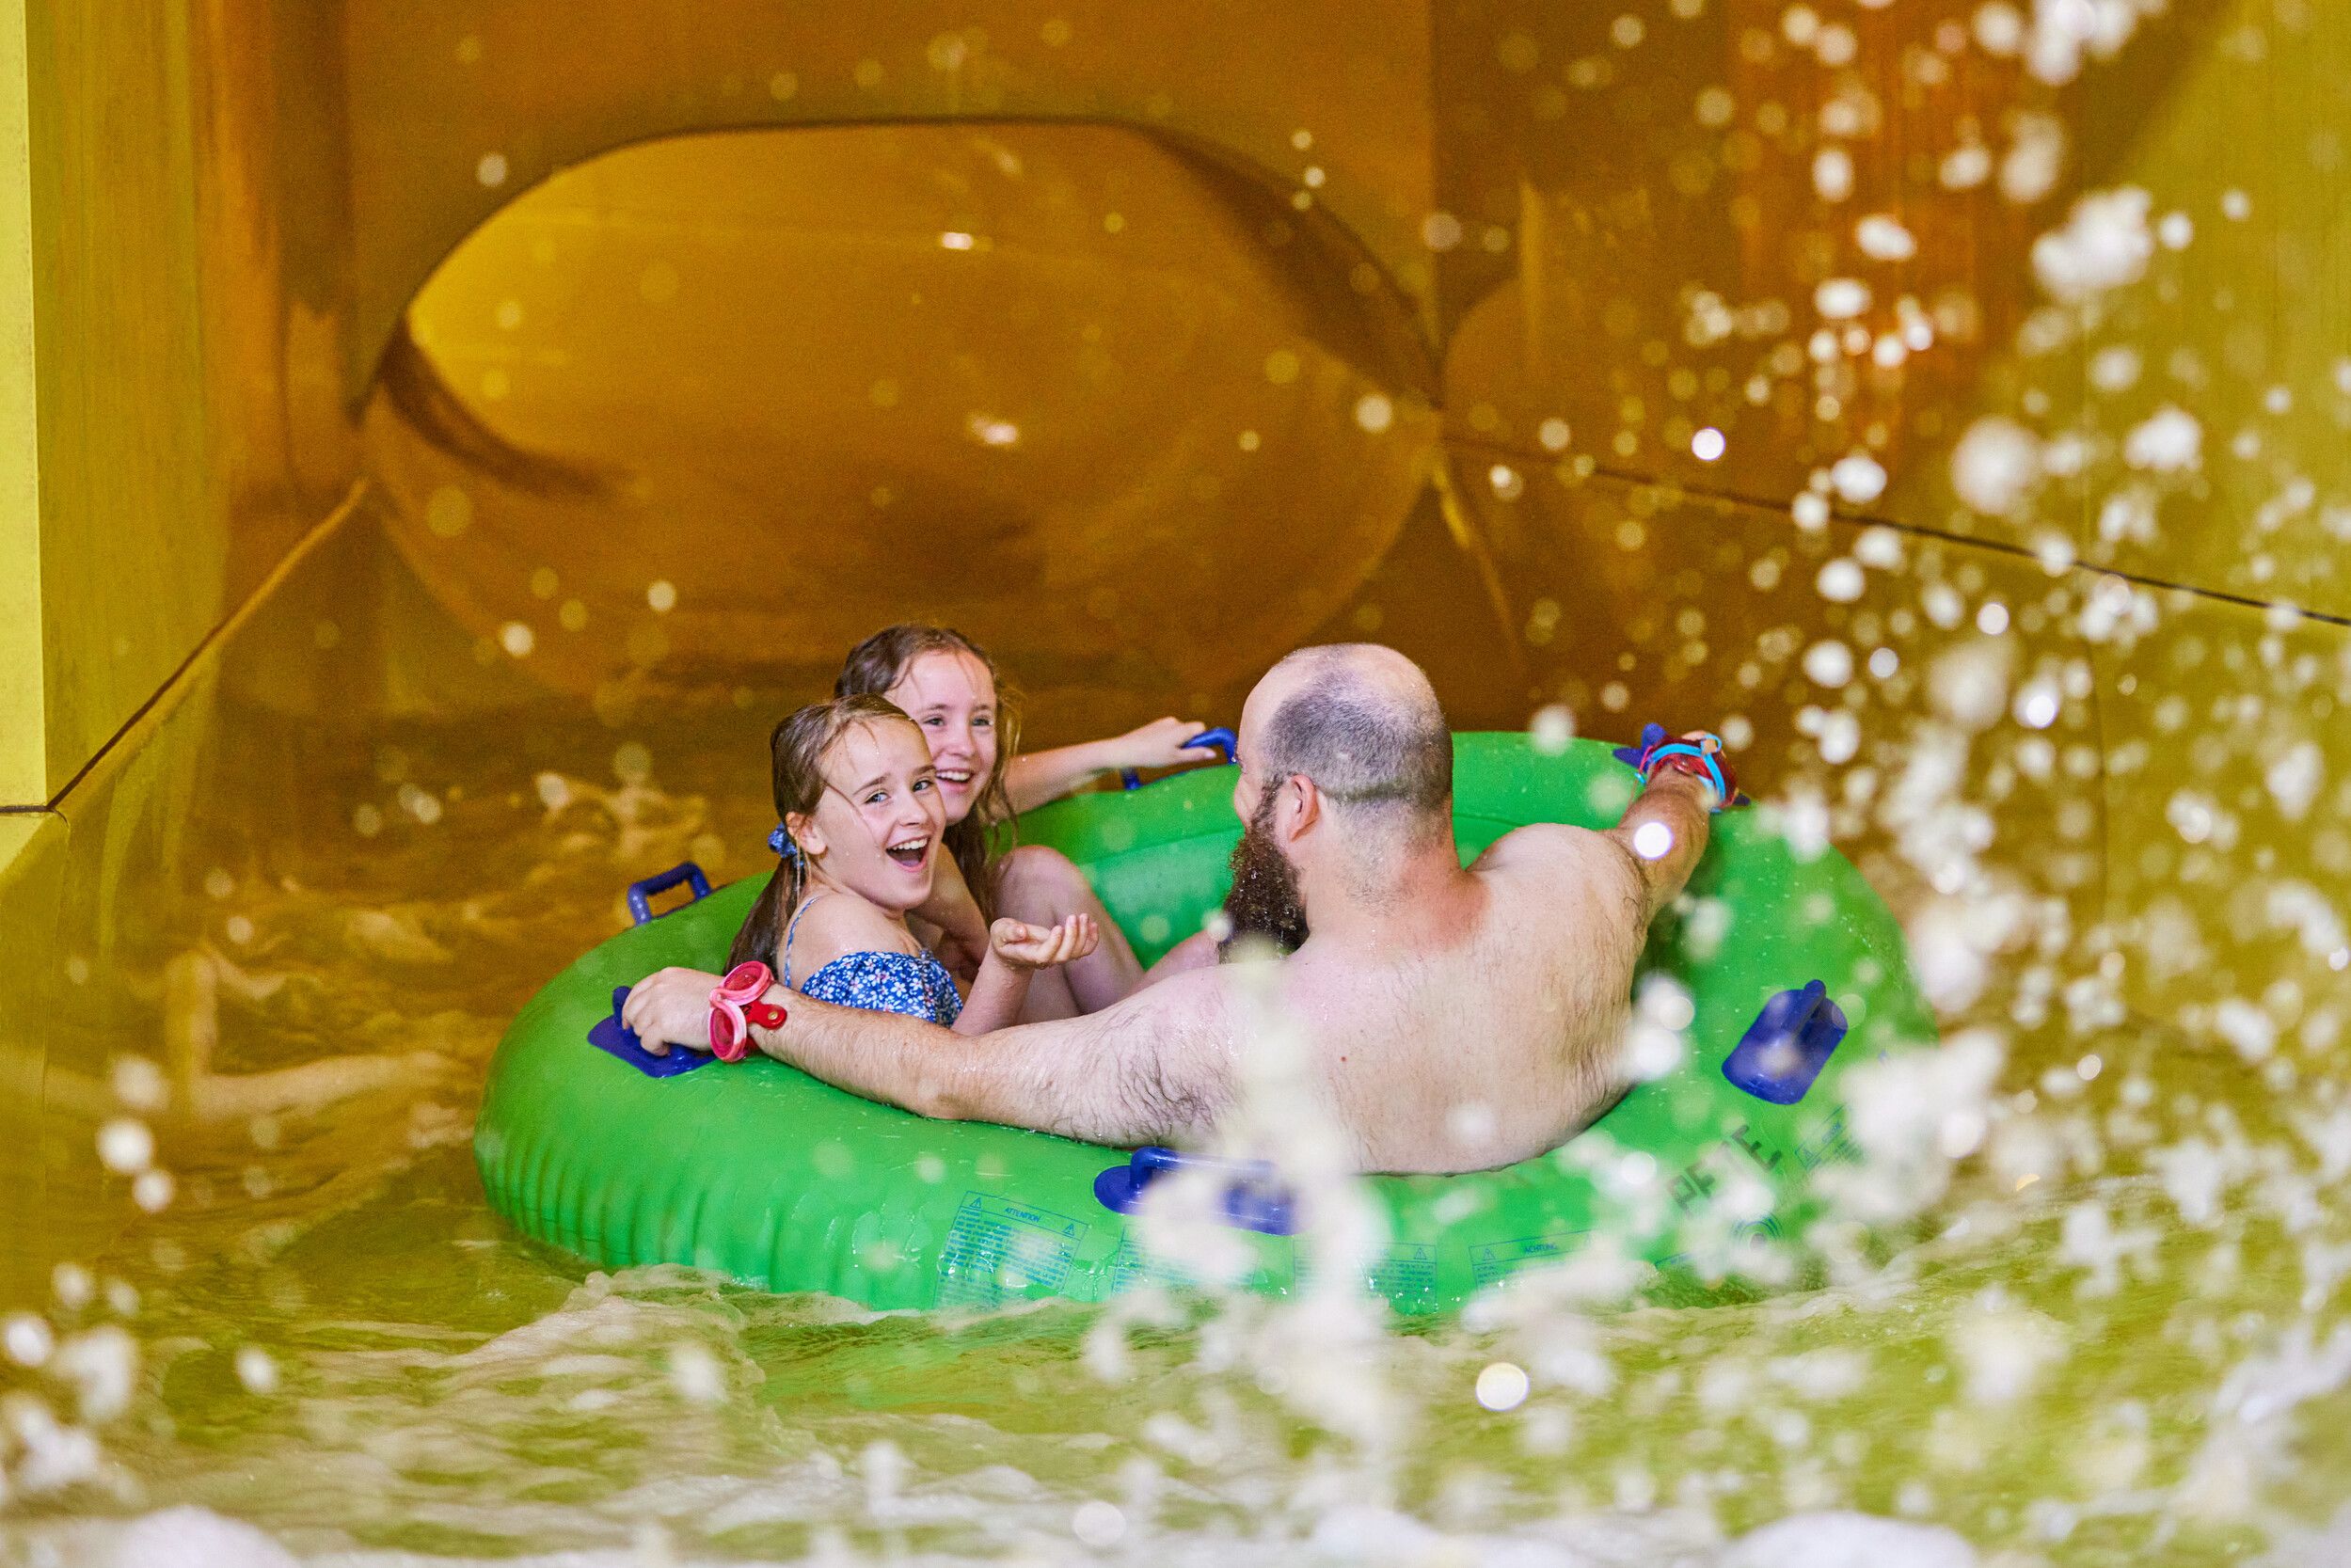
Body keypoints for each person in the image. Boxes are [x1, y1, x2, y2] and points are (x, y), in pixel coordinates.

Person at [626, 644, 1731, 1176]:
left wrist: (741, 1009)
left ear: (1295, 805)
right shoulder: (1576, 881)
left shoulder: (1214, 1037)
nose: (1237, 806)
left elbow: (943, 1076)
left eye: (1247, 784)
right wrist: (1685, 774)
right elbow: (1659, 838)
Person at [833, 625, 1217, 1020]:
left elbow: (992, 786)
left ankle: (1144, 1043)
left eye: (981, 721)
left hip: (1027, 1046)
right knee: (1214, 947)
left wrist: (1119, 750)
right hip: (968, 1060)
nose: (965, 746)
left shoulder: (933, 814)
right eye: (935, 721)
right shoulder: (840, 863)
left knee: (1032, 873)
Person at [726, 693, 1101, 1033]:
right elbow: (941, 1084)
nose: (916, 813)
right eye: (876, 797)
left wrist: (981, 963)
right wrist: (1005, 969)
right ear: (807, 831)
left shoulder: (854, 907)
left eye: (922, 784)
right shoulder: (851, 935)